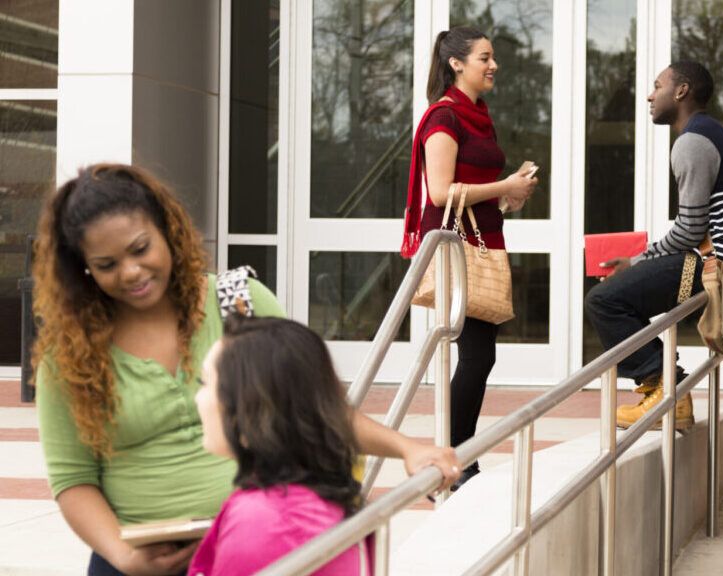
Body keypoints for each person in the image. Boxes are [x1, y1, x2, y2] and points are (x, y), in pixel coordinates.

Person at [33, 164, 459, 576]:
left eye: (140, 248)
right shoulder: (69, 356)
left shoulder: (239, 302)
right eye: (106, 265)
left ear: (166, 229)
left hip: (260, 548)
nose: (130, 272)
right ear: (83, 268)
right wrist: (124, 557)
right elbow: (73, 480)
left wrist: (407, 448)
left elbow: (314, 407)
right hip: (134, 566)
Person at [584, 61, 723, 430]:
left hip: (716, 268)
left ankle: (666, 387)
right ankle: (665, 386)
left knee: (605, 300)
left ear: (681, 91)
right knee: (619, 295)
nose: (650, 95)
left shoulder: (693, 141)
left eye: (657, 85)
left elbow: (689, 228)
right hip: (719, 262)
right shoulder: (713, 133)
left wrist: (636, 262)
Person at [401, 27, 539, 490]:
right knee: (477, 355)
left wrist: (507, 199)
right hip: (455, 248)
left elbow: (472, 193)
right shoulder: (444, 117)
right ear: (456, 63)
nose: (493, 64)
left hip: (481, 239)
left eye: (493, 56)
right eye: (484, 57)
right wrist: (505, 186)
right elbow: (440, 193)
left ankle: (461, 456)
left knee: (480, 356)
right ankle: (459, 459)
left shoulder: (479, 114)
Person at [189, 316, 372, 575]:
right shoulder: (313, 501)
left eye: (204, 382)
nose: (197, 398)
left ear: (249, 415)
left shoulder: (264, 523)